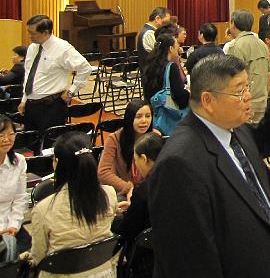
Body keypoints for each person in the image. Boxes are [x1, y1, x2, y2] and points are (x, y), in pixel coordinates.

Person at [149, 53, 270, 278]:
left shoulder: (233, 127)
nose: (248, 96)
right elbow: (190, 262)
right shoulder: (179, 164)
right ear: (208, 100)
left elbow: (264, 142)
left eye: (247, 87)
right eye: (239, 91)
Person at [29, 132, 118, 278]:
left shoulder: (43, 210)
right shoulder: (110, 194)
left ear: (57, 163)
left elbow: (39, 258)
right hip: (105, 272)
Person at [20, 15, 93, 132]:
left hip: (51, 107)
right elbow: (29, 75)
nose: (29, 36)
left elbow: (85, 68)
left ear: (46, 32)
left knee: (50, 142)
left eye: (33, 33)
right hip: (30, 105)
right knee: (31, 140)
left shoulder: (62, 48)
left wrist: (71, 91)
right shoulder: (33, 47)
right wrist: (24, 100)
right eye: (29, 32)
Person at [112, 132, 163, 273]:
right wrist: (133, 207)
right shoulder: (177, 178)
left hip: (146, 258)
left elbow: (127, 230)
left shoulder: (143, 191)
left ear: (144, 159)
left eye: (136, 160)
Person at [98, 100, 157, 196]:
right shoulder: (114, 139)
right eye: (138, 117)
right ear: (129, 118)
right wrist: (128, 187)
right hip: (123, 192)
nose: (144, 121)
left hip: (147, 190)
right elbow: (103, 172)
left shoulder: (155, 136)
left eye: (148, 116)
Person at [228, 9, 270, 123]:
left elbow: (234, 77)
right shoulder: (262, 44)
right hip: (263, 101)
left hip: (245, 103)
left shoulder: (236, 46)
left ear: (233, 24)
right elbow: (268, 71)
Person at [0, 115, 30, 254]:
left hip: (10, 224)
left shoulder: (19, 161)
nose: (6, 139)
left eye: (11, 134)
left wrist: (14, 225)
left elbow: (20, 198)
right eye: (1, 135)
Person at [142, 35, 189, 122]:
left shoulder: (150, 64)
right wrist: (189, 93)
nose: (179, 48)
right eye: (177, 45)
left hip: (152, 112)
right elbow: (180, 97)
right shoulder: (171, 67)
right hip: (167, 116)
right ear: (171, 48)